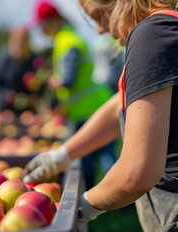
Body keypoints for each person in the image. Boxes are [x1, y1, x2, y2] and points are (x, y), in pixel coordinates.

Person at [24, 0, 178, 232]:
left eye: (98, 16)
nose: (99, 30)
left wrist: (79, 208)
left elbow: (138, 170)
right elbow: (120, 105)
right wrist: (62, 155)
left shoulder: (155, 32)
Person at [33, 0, 116, 190]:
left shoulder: (68, 42)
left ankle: (122, 202)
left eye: (42, 24)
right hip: (87, 107)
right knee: (99, 158)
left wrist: (50, 81)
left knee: (103, 159)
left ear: (52, 21)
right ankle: (111, 200)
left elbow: (68, 79)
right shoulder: (67, 38)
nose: (40, 29)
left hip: (90, 108)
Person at [0, 25, 44, 114]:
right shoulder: (4, 57)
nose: (20, 43)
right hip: (5, 111)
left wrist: (34, 97)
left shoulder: (36, 60)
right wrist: (6, 95)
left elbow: (42, 86)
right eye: (16, 40)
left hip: (28, 113)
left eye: (23, 40)